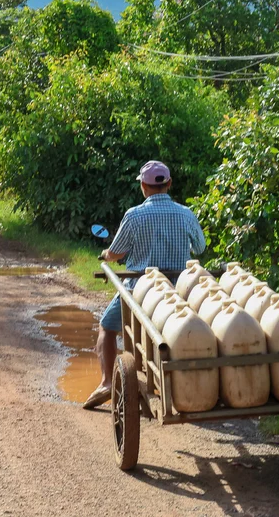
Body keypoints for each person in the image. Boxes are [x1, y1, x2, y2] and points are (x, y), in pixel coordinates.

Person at [83, 160, 206, 410]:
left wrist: (106, 254)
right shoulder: (186, 213)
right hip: (178, 290)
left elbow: (116, 253)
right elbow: (200, 248)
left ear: (143, 187)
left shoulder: (134, 215)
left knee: (106, 328)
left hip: (140, 289)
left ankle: (107, 382)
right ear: (169, 184)